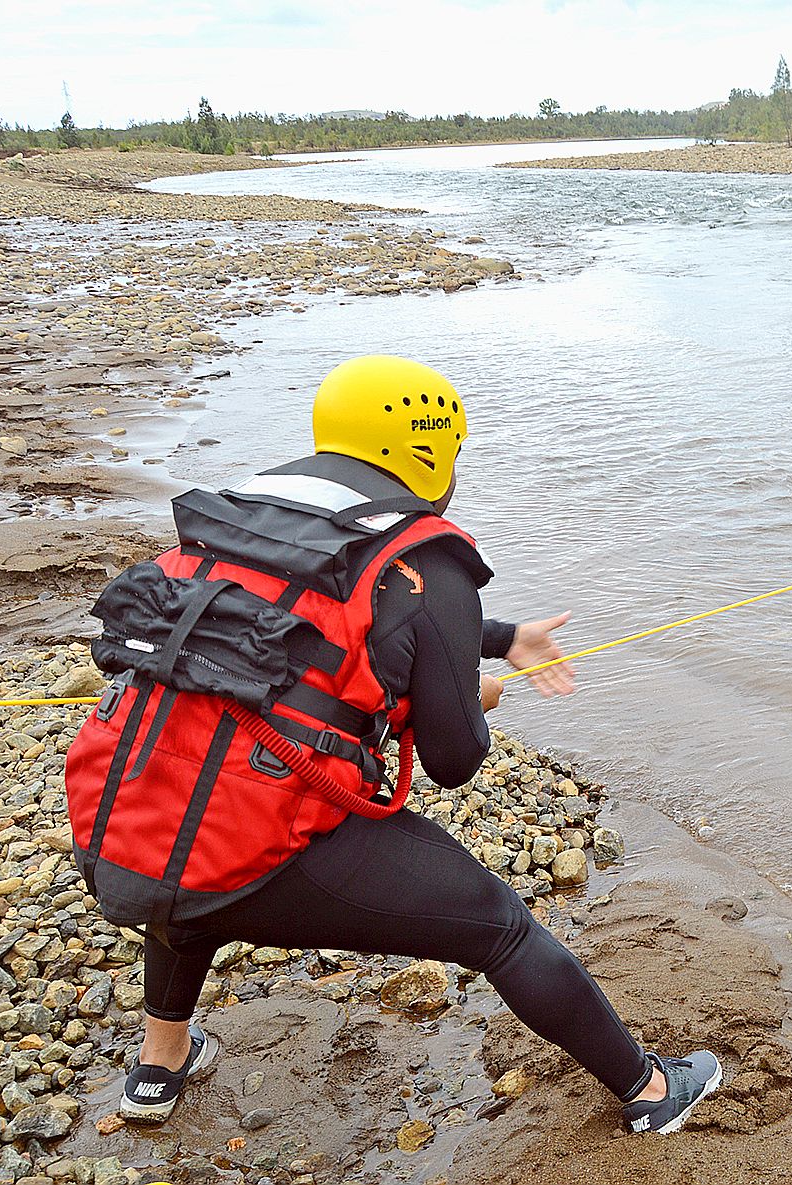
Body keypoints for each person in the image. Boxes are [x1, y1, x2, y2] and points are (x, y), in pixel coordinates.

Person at [64, 355, 722, 1134]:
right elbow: (453, 760)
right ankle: (650, 1091)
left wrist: (503, 637)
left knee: (197, 840)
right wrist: (471, 696)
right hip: (254, 854)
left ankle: (159, 1064)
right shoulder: (427, 560)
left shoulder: (245, 515)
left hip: (116, 821)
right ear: (429, 449)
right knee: (502, 925)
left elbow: (303, 629)